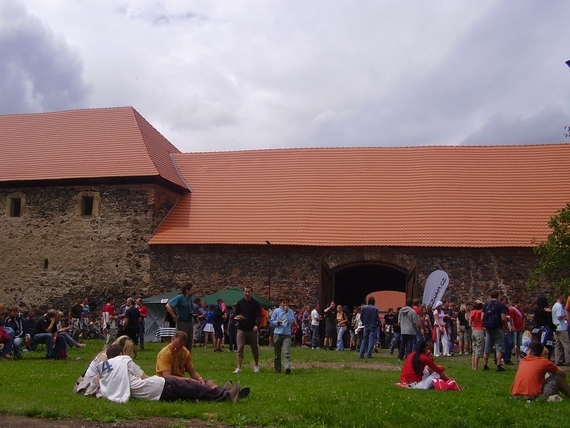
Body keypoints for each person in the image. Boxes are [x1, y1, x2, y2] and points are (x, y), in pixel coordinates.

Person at [98, 344, 244, 403]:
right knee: (193, 388)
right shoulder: (124, 360)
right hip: (157, 386)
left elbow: (101, 357)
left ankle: (225, 390)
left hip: (152, 393)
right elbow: (144, 377)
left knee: (191, 391)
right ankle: (227, 395)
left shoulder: (104, 369)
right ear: (121, 353)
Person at [233, 285, 262, 374]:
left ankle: (256, 365)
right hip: (241, 329)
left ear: (251, 292)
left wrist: (257, 325)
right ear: (243, 292)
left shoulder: (256, 303)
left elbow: (259, 315)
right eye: (246, 292)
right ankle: (239, 368)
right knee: (240, 348)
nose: (247, 293)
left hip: (252, 329)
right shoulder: (240, 303)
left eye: (249, 292)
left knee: (254, 348)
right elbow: (236, 314)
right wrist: (238, 318)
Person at [482, 290, 508, 372]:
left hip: (489, 328)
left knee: (487, 347)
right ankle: (498, 365)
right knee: (499, 346)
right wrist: (506, 326)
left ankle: (485, 365)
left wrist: (485, 325)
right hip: (498, 327)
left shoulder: (486, 305)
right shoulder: (501, 305)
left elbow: (482, 317)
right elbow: (503, 318)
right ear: (498, 296)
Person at [165, 283, 195, 351]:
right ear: (187, 290)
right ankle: (180, 356)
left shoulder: (191, 299)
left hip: (189, 321)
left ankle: (187, 357)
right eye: (191, 290)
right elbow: (168, 306)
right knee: (182, 340)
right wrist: (174, 316)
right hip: (182, 322)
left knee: (189, 341)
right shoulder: (180, 297)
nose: (193, 291)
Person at [270, 297, 295, 374]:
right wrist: (277, 322)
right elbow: (271, 321)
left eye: (286, 303)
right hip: (277, 333)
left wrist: (287, 313)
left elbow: (291, 321)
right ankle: (277, 369)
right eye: (284, 303)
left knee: (286, 352)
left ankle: (287, 367)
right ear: (281, 303)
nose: (285, 305)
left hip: (286, 334)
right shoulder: (277, 311)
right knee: (277, 354)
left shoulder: (290, 311)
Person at [532, 295, 556, 361]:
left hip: (538, 331)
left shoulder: (536, 310)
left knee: (538, 347)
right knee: (547, 347)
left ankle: (537, 359)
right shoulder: (547, 311)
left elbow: (535, 320)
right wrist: (555, 328)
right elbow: (549, 322)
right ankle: (546, 360)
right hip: (546, 332)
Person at [552, 293, 570, 366]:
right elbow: (559, 316)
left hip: (556, 327)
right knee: (567, 344)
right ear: (560, 297)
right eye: (563, 296)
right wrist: (565, 315)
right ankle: (568, 360)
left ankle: (558, 360)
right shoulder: (559, 306)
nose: (564, 298)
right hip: (561, 327)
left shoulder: (554, 306)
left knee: (558, 344)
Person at [469, 300, 485, 370]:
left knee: (474, 349)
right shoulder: (481, 312)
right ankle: (476, 367)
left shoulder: (472, 312)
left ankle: (473, 366)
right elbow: (486, 307)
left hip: (474, 330)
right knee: (479, 348)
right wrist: (482, 302)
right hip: (479, 330)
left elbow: (470, 323)